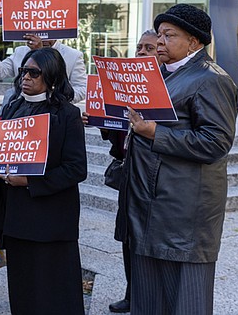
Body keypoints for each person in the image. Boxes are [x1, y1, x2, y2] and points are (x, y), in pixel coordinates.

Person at [125, 4, 238, 315]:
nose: (160, 41)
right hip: (149, 201)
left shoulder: (210, 79)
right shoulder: (159, 75)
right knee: (149, 296)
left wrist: (154, 133)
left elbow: (215, 143)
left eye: (169, 35)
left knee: (185, 297)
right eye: (159, 34)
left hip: (184, 210)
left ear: (194, 42)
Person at [0, 47, 87, 314]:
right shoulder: (13, 106)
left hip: (51, 221)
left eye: (33, 72)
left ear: (51, 76)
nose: (25, 76)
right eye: (23, 71)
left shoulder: (67, 114)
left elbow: (76, 169)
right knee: (23, 290)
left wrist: (29, 181)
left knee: (55, 293)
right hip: (15, 218)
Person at [82, 29, 158, 314]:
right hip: (129, 175)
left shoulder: (166, 87)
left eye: (148, 47)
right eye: (139, 47)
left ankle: (146, 293)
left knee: (146, 239)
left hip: (155, 177)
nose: (140, 51)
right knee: (127, 237)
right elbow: (117, 140)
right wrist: (101, 120)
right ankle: (131, 291)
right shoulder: (124, 86)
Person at [0, 23, 87, 103]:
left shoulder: (73, 55)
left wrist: (58, 99)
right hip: (21, 111)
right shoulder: (21, 51)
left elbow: (82, 89)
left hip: (55, 115)